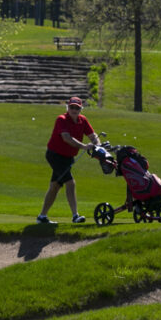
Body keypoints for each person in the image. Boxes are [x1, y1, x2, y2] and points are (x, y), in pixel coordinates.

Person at [37, 96, 100, 224]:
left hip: (67, 158)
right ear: (68, 108)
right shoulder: (62, 119)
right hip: (55, 155)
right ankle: (75, 216)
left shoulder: (83, 120)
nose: (74, 110)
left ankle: (42, 216)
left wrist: (98, 146)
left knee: (55, 186)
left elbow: (94, 137)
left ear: (80, 109)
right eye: (72, 107)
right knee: (70, 183)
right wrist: (84, 146)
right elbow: (66, 138)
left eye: (77, 108)